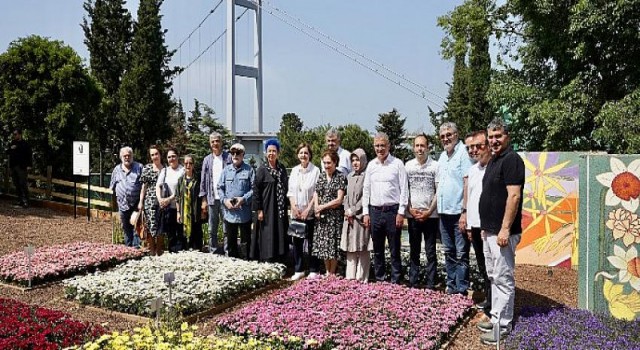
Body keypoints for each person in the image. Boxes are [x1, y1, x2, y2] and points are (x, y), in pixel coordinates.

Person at [477, 119, 524, 345]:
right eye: (491, 137)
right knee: (494, 277)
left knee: (503, 279)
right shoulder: (494, 161)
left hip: (503, 233)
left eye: (498, 136)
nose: (494, 141)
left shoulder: (512, 160)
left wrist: (505, 228)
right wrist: (486, 229)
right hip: (490, 232)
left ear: (508, 137)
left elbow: (514, 196)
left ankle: (502, 326)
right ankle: (495, 317)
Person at [362, 132, 408, 284]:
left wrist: (401, 212)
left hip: (392, 212)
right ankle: (380, 279)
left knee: (394, 248)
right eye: (377, 145)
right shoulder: (371, 165)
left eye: (382, 145)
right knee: (378, 248)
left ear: (388, 146)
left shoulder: (397, 164)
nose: (380, 149)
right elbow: (366, 190)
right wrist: (366, 213)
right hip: (375, 212)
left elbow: (404, 190)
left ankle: (395, 280)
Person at [437, 122, 473, 295]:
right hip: (444, 213)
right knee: (448, 252)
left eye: (449, 134)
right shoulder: (442, 157)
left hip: (458, 213)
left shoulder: (463, 153)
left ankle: (462, 289)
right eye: (443, 136)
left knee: (461, 253)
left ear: (456, 134)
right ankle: (451, 286)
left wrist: (465, 211)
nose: (446, 138)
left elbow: (467, 182)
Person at [405, 134, 439, 289]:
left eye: (422, 146)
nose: (420, 149)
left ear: (428, 147)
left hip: (430, 216)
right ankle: (413, 283)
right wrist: (410, 209)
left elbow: (438, 191)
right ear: (413, 148)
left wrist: (429, 211)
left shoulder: (435, 166)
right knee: (414, 251)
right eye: (417, 146)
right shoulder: (408, 166)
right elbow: (405, 190)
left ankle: (431, 284)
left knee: (431, 251)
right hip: (413, 215)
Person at [464, 131, 492, 316]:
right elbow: (470, 197)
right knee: (482, 265)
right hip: (474, 226)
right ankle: (490, 300)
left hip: (487, 227)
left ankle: (494, 305)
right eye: (471, 148)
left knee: (492, 267)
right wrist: (467, 223)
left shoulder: (494, 168)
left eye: (478, 146)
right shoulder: (473, 170)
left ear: (487, 146)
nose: (475, 150)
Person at [287, 143, 321, 280]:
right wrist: (294, 207)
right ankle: (299, 269)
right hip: (296, 212)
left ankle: (314, 269)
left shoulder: (316, 170)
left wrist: (308, 209)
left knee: (312, 242)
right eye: (301, 153)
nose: (303, 155)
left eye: (306, 153)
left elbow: (317, 193)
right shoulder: (294, 170)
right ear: (298, 155)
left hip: (310, 212)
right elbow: (290, 191)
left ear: (310, 155)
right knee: (297, 242)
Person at [252, 139, 289, 262]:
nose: (271, 154)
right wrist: (259, 210)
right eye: (269, 151)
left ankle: (280, 260)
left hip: (279, 209)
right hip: (267, 209)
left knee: (280, 233)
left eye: (274, 151)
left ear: (278, 153)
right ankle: (268, 260)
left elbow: (286, 187)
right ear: (265, 153)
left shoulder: (282, 169)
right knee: (267, 235)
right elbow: (256, 190)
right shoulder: (262, 170)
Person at [313, 149, 347, 276]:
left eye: (329, 163)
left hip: (334, 217)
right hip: (322, 218)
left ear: (335, 163)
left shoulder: (340, 177)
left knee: (333, 246)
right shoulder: (321, 176)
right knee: (323, 245)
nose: (327, 166)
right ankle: (327, 271)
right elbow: (316, 192)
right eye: (325, 163)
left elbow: (339, 199)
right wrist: (316, 207)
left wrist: (322, 207)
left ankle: (332, 272)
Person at [218, 144, 254, 259]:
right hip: (230, 214)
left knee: (245, 242)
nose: (235, 155)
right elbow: (220, 187)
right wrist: (224, 201)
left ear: (243, 155)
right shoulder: (226, 171)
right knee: (231, 242)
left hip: (244, 213)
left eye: (238, 153)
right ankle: (233, 266)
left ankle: (246, 263)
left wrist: (243, 199)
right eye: (232, 153)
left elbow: (255, 189)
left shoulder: (249, 170)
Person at [340, 148, 372, 282]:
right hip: (350, 219)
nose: (355, 163)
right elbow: (346, 196)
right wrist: (347, 210)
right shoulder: (350, 176)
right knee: (350, 249)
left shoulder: (367, 176)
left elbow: (366, 196)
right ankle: (350, 278)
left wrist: (354, 211)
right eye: (353, 160)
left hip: (360, 218)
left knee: (363, 248)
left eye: (357, 160)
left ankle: (362, 278)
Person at [200, 132, 232, 254]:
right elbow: (203, 180)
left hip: (225, 199)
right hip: (212, 199)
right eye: (213, 141)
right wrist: (203, 199)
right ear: (210, 143)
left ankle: (227, 252)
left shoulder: (228, 158)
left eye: (217, 141)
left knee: (226, 228)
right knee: (212, 229)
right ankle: (213, 252)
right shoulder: (207, 160)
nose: (215, 143)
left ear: (221, 142)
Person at [110, 146, 143, 248]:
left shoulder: (139, 167)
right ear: (121, 157)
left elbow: (144, 185)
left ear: (132, 156)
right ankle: (128, 250)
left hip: (136, 203)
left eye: (129, 155)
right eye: (125, 156)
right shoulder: (116, 170)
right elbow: (112, 187)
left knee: (137, 228)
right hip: (123, 204)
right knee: (126, 229)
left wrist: (142, 201)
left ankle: (136, 251)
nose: (127, 158)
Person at [156, 148, 185, 253]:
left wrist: (169, 199)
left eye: (173, 156)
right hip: (167, 208)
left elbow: (182, 189)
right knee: (170, 233)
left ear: (177, 157)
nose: (171, 159)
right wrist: (160, 199)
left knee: (180, 233)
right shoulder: (165, 171)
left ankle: (181, 254)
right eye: (169, 157)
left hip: (180, 207)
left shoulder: (183, 170)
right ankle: (172, 253)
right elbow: (158, 186)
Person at [138, 145, 165, 255]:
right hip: (150, 201)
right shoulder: (147, 168)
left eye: (156, 154)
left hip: (162, 201)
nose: (155, 156)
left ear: (160, 154)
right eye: (152, 155)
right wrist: (141, 201)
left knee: (160, 226)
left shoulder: (165, 169)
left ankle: (159, 250)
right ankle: (152, 250)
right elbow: (144, 187)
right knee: (150, 225)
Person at [175, 154, 204, 251]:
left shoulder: (198, 179)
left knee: (196, 236)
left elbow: (202, 194)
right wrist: (178, 212)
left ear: (193, 165)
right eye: (186, 163)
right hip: (184, 213)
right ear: (183, 165)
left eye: (190, 163)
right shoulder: (180, 180)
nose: (188, 165)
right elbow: (177, 197)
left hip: (195, 213)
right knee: (183, 237)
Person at [6, 128, 32, 207]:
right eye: (13, 134)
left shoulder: (25, 144)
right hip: (13, 166)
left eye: (15, 134)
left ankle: (26, 201)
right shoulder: (12, 143)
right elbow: (7, 152)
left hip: (22, 167)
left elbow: (29, 155)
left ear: (20, 134)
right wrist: (11, 148)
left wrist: (29, 165)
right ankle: (20, 201)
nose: (14, 136)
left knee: (23, 184)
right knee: (16, 184)